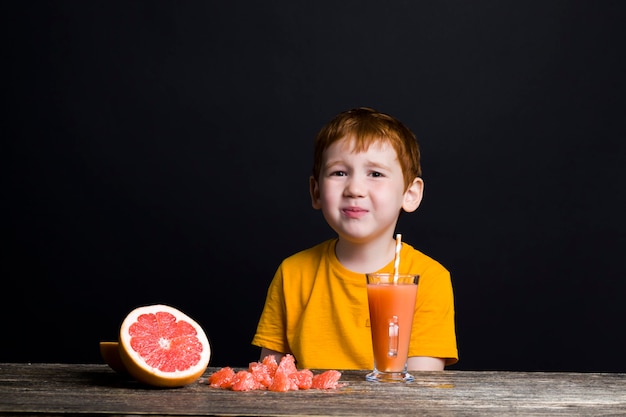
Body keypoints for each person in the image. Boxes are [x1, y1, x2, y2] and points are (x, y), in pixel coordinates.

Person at [252, 107, 458, 371]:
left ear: (410, 194)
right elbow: (270, 377)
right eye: (339, 173)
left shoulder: (428, 279)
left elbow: (420, 388)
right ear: (316, 191)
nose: (355, 189)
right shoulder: (293, 273)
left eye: (375, 174)